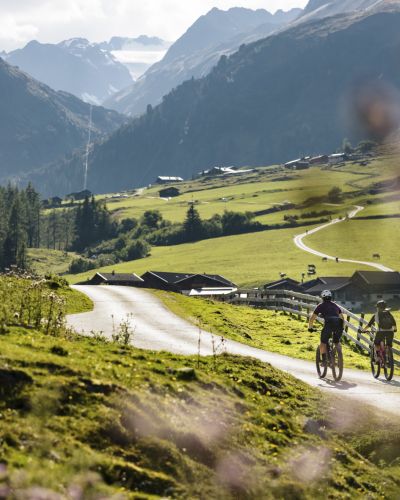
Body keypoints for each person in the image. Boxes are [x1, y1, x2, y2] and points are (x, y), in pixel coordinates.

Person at [308, 290, 344, 366]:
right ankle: (338, 356)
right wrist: (342, 328)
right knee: (337, 342)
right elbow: (342, 317)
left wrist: (310, 327)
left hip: (329, 324)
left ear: (322, 298)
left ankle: (324, 361)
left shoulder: (321, 306)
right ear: (331, 297)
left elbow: (312, 318)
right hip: (339, 324)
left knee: (323, 342)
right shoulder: (335, 305)